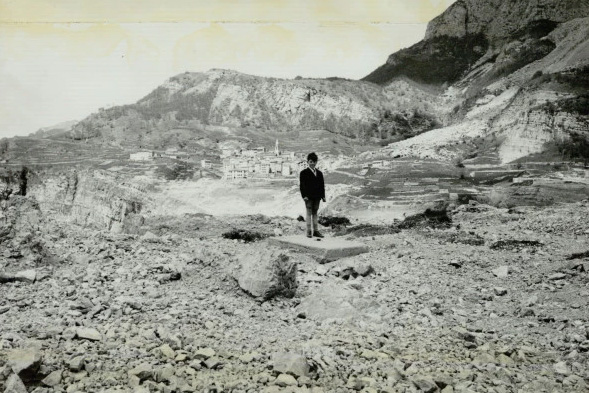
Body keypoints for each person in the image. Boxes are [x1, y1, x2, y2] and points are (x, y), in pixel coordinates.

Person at [299, 152, 326, 238]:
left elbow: (322, 186)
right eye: (311, 161)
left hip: (317, 197)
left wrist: (323, 196)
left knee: (315, 213)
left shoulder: (320, 173)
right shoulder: (303, 173)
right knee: (309, 213)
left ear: (316, 162)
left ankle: (316, 231)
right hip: (308, 197)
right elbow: (302, 186)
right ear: (307, 162)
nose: (313, 163)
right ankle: (309, 231)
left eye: (314, 161)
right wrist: (304, 196)